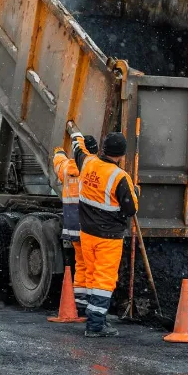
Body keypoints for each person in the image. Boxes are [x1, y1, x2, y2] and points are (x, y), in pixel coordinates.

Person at [72, 129, 139, 338]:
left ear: (103, 148)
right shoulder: (120, 177)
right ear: (121, 155)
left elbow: (77, 151)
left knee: (92, 275)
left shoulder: (88, 163)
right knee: (104, 280)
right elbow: (131, 209)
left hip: (87, 232)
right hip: (108, 238)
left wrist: (77, 135)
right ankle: (95, 325)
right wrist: (135, 193)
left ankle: (90, 314)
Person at [52, 135, 99, 314]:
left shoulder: (66, 168)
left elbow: (58, 162)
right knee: (92, 266)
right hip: (89, 227)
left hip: (72, 226)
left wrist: (59, 151)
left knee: (80, 263)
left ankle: (79, 300)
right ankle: (92, 303)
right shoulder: (93, 168)